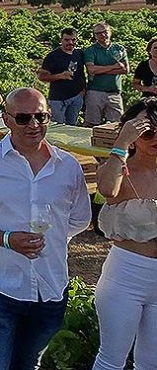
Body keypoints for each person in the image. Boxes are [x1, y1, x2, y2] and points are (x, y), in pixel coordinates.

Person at [0, 88, 91, 370]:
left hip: (50, 289)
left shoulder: (68, 167)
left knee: (28, 363)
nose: (34, 125)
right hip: (1, 287)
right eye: (24, 118)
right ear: (7, 119)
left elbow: (79, 219)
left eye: (41, 116)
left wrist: (53, 239)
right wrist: (6, 240)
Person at [91, 99, 157, 370]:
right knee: (112, 360)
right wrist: (122, 142)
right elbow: (107, 189)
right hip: (126, 277)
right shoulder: (120, 169)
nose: (155, 138)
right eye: (147, 131)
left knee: (152, 362)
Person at [37, 27, 86, 125]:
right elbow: (41, 77)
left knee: (72, 126)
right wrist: (60, 76)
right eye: (67, 40)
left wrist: (83, 91)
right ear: (61, 40)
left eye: (73, 39)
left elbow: (82, 73)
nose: (70, 42)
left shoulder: (79, 53)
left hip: (76, 97)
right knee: (57, 127)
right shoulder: (52, 56)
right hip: (58, 99)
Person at [84, 22, 129, 128]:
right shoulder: (91, 50)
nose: (102, 35)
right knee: (91, 124)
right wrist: (114, 66)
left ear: (110, 32)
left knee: (117, 124)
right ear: (95, 35)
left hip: (114, 92)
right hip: (95, 92)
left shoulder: (119, 49)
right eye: (98, 33)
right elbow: (91, 70)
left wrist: (101, 70)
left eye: (105, 32)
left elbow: (126, 70)